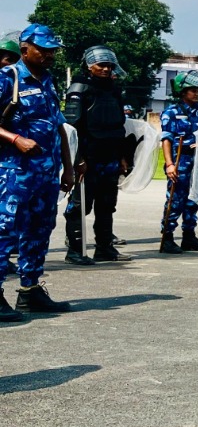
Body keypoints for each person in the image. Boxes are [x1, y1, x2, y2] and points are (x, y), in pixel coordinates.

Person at [0, 24, 72, 319]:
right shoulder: (8, 78)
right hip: (15, 173)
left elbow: (60, 126)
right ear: (25, 48)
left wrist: (68, 167)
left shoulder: (49, 81)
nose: (49, 54)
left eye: (52, 50)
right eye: (43, 49)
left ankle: (30, 292)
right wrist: (15, 138)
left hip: (46, 174)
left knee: (40, 230)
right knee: (4, 231)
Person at [62, 46, 134, 264]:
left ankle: (104, 248)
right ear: (89, 65)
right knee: (79, 206)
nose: (105, 69)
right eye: (101, 65)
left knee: (106, 205)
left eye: (109, 66)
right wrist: (78, 160)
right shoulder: (80, 89)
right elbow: (71, 129)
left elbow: (120, 127)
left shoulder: (114, 90)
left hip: (110, 157)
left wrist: (122, 157)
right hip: (88, 158)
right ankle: (75, 251)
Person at [158, 70, 198, 254]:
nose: (197, 93)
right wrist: (169, 164)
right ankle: (167, 237)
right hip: (179, 159)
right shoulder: (171, 112)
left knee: (194, 199)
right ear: (183, 92)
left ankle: (189, 236)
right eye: (193, 90)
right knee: (175, 199)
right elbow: (166, 139)